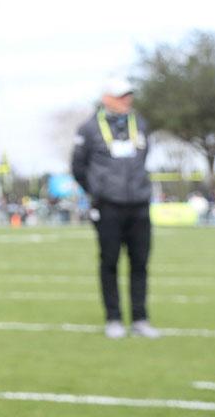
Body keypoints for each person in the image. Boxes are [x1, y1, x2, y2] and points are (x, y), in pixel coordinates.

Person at [71, 74, 159, 339]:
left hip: (139, 204)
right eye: (121, 96)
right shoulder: (88, 129)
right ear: (106, 99)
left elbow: (144, 156)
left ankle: (140, 318)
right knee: (109, 262)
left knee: (140, 263)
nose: (127, 100)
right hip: (108, 206)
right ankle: (113, 318)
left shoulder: (140, 123)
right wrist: (97, 191)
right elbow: (77, 167)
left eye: (129, 95)